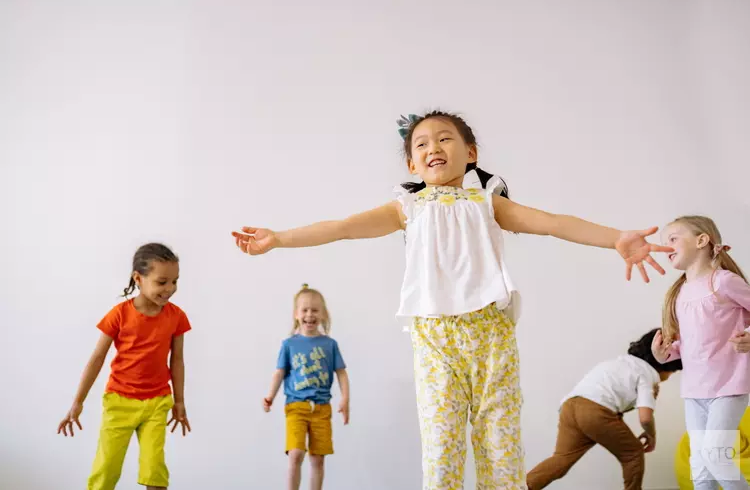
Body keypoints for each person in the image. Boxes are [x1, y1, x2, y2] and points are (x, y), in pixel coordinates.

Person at [233, 110, 673, 490]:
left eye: (445, 138)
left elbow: (553, 223)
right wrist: (280, 239)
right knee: (441, 450)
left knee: (500, 452)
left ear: (471, 152)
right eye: (421, 143)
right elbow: (343, 227)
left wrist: (615, 238)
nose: (433, 147)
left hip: (491, 338)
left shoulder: (488, 202)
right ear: (412, 162)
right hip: (436, 340)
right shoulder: (407, 208)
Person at [57, 243, 192, 490]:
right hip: (119, 401)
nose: (170, 289)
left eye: (175, 281)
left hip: (157, 402)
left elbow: (178, 359)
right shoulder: (119, 314)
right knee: (106, 469)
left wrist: (180, 401)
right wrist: (78, 402)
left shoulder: (177, 316)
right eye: (162, 282)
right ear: (138, 279)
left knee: (155, 471)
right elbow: (97, 358)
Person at [652, 215, 750, 490]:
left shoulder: (724, 282)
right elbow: (688, 345)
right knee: (700, 468)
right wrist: (663, 355)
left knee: (717, 457)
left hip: (728, 387)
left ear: (702, 240)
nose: (665, 247)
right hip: (694, 391)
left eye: (672, 239)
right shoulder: (680, 293)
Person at [526, 328, 683, 490]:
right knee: (633, 453)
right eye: (673, 371)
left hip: (570, 406)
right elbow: (645, 417)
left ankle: (516, 487)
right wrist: (651, 435)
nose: (669, 377)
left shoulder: (621, 362)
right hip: (595, 411)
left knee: (561, 459)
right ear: (667, 364)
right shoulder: (647, 375)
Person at [263, 284, 349, 490]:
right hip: (296, 407)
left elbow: (341, 373)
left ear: (323, 314)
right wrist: (270, 396)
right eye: (305, 310)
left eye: (315, 310)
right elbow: (279, 372)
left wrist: (345, 399)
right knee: (296, 453)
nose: (310, 315)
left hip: (321, 409)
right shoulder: (289, 344)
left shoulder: (330, 344)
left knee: (318, 458)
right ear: (296, 314)